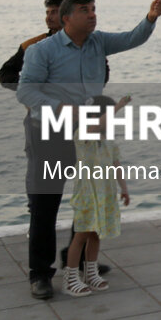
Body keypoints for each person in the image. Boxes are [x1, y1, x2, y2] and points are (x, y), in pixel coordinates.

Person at [16, 0, 161, 300]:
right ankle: (40, 274)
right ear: (66, 18)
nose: (92, 15)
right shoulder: (42, 50)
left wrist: (151, 18)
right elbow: (26, 91)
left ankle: (81, 262)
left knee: (88, 200)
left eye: (94, 9)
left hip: (88, 136)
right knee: (46, 205)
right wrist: (61, 109)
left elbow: (131, 38)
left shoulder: (99, 43)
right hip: (50, 134)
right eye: (85, 11)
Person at [62, 95, 131, 297]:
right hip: (87, 194)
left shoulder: (109, 141)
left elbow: (116, 164)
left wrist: (124, 188)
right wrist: (118, 106)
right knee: (81, 234)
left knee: (96, 234)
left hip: (105, 195)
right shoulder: (83, 135)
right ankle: (71, 277)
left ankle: (91, 274)